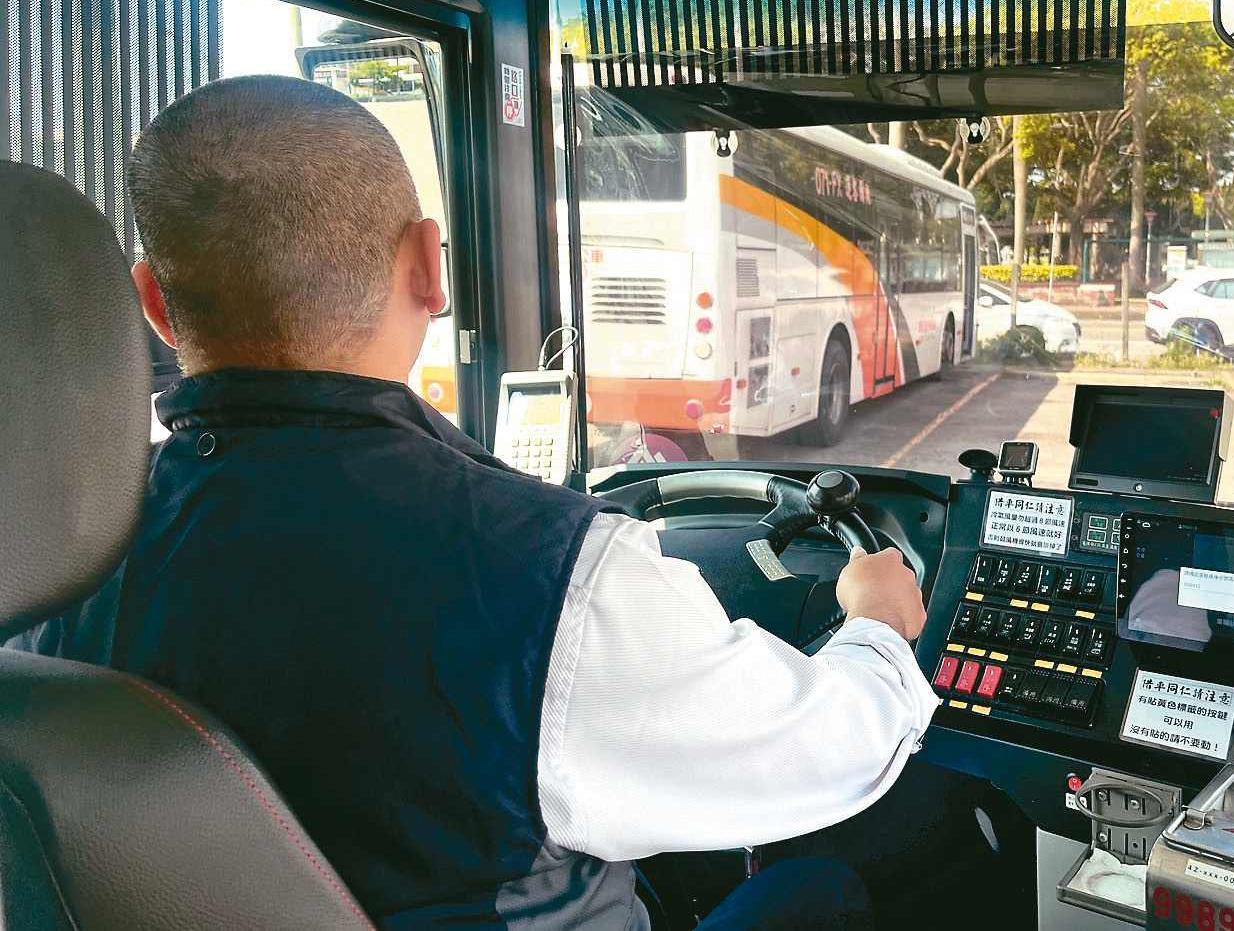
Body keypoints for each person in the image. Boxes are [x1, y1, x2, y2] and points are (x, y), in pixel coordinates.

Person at [13, 76, 935, 930]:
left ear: (155, 307)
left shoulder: (53, 581)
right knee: (827, 883)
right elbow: (830, 748)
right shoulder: (552, 576)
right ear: (428, 265)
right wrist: (877, 630)